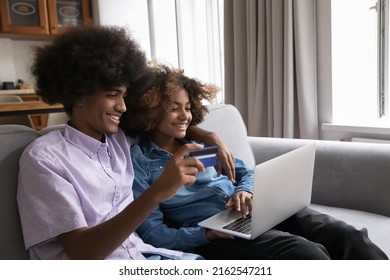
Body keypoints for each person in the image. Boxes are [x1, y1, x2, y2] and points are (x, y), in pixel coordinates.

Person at [122, 63, 389, 260]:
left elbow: (243, 171)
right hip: (214, 235)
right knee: (306, 254)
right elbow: (153, 232)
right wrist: (207, 235)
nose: (185, 116)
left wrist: (244, 190)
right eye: (173, 107)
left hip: (252, 210)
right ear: (151, 108)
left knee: (347, 236)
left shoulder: (200, 145)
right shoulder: (140, 162)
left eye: (188, 107)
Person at [16, 25, 235, 260]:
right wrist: (156, 193)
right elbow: (83, 253)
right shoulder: (45, 159)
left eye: (124, 95)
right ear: (78, 94)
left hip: (147, 256)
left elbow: (163, 123)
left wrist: (208, 136)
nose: (122, 106)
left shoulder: (119, 140)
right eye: (112, 95)